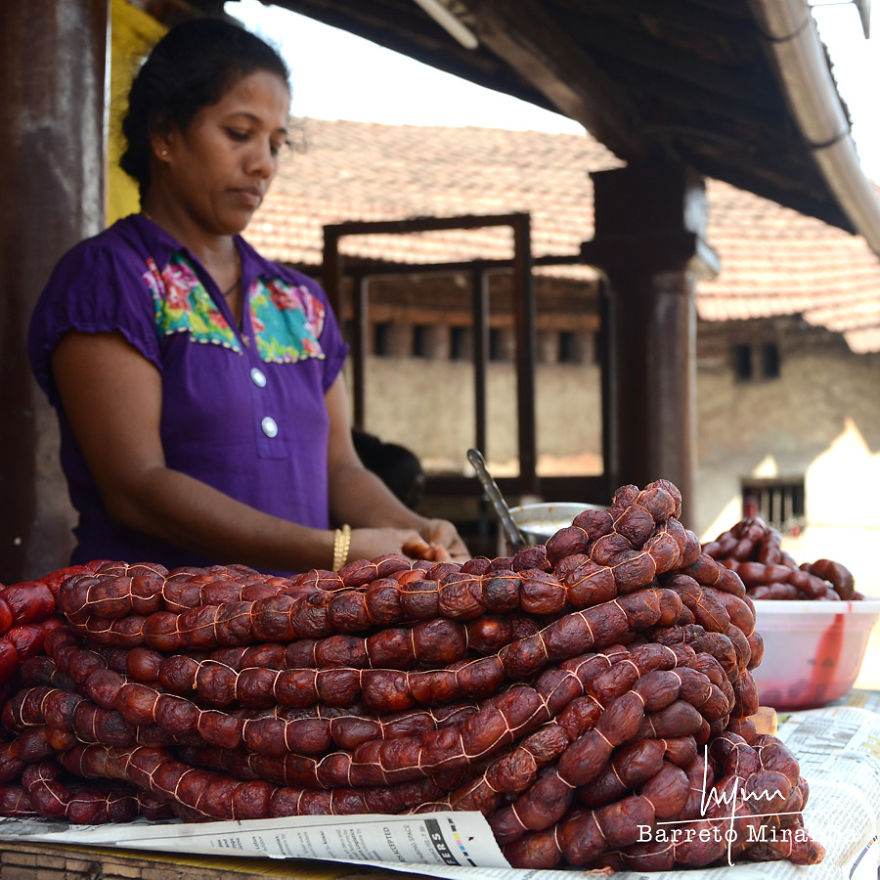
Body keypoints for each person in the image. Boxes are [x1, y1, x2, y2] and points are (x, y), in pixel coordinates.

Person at [28, 16, 468, 575]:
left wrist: (414, 529)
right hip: (151, 633)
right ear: (164, 135)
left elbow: (339, 470)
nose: (262, 164)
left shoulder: (299, 303)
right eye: (239, 134)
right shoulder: (108, 279)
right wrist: (329, 550)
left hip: (291, 632)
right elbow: (137, 488)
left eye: (276, 143)